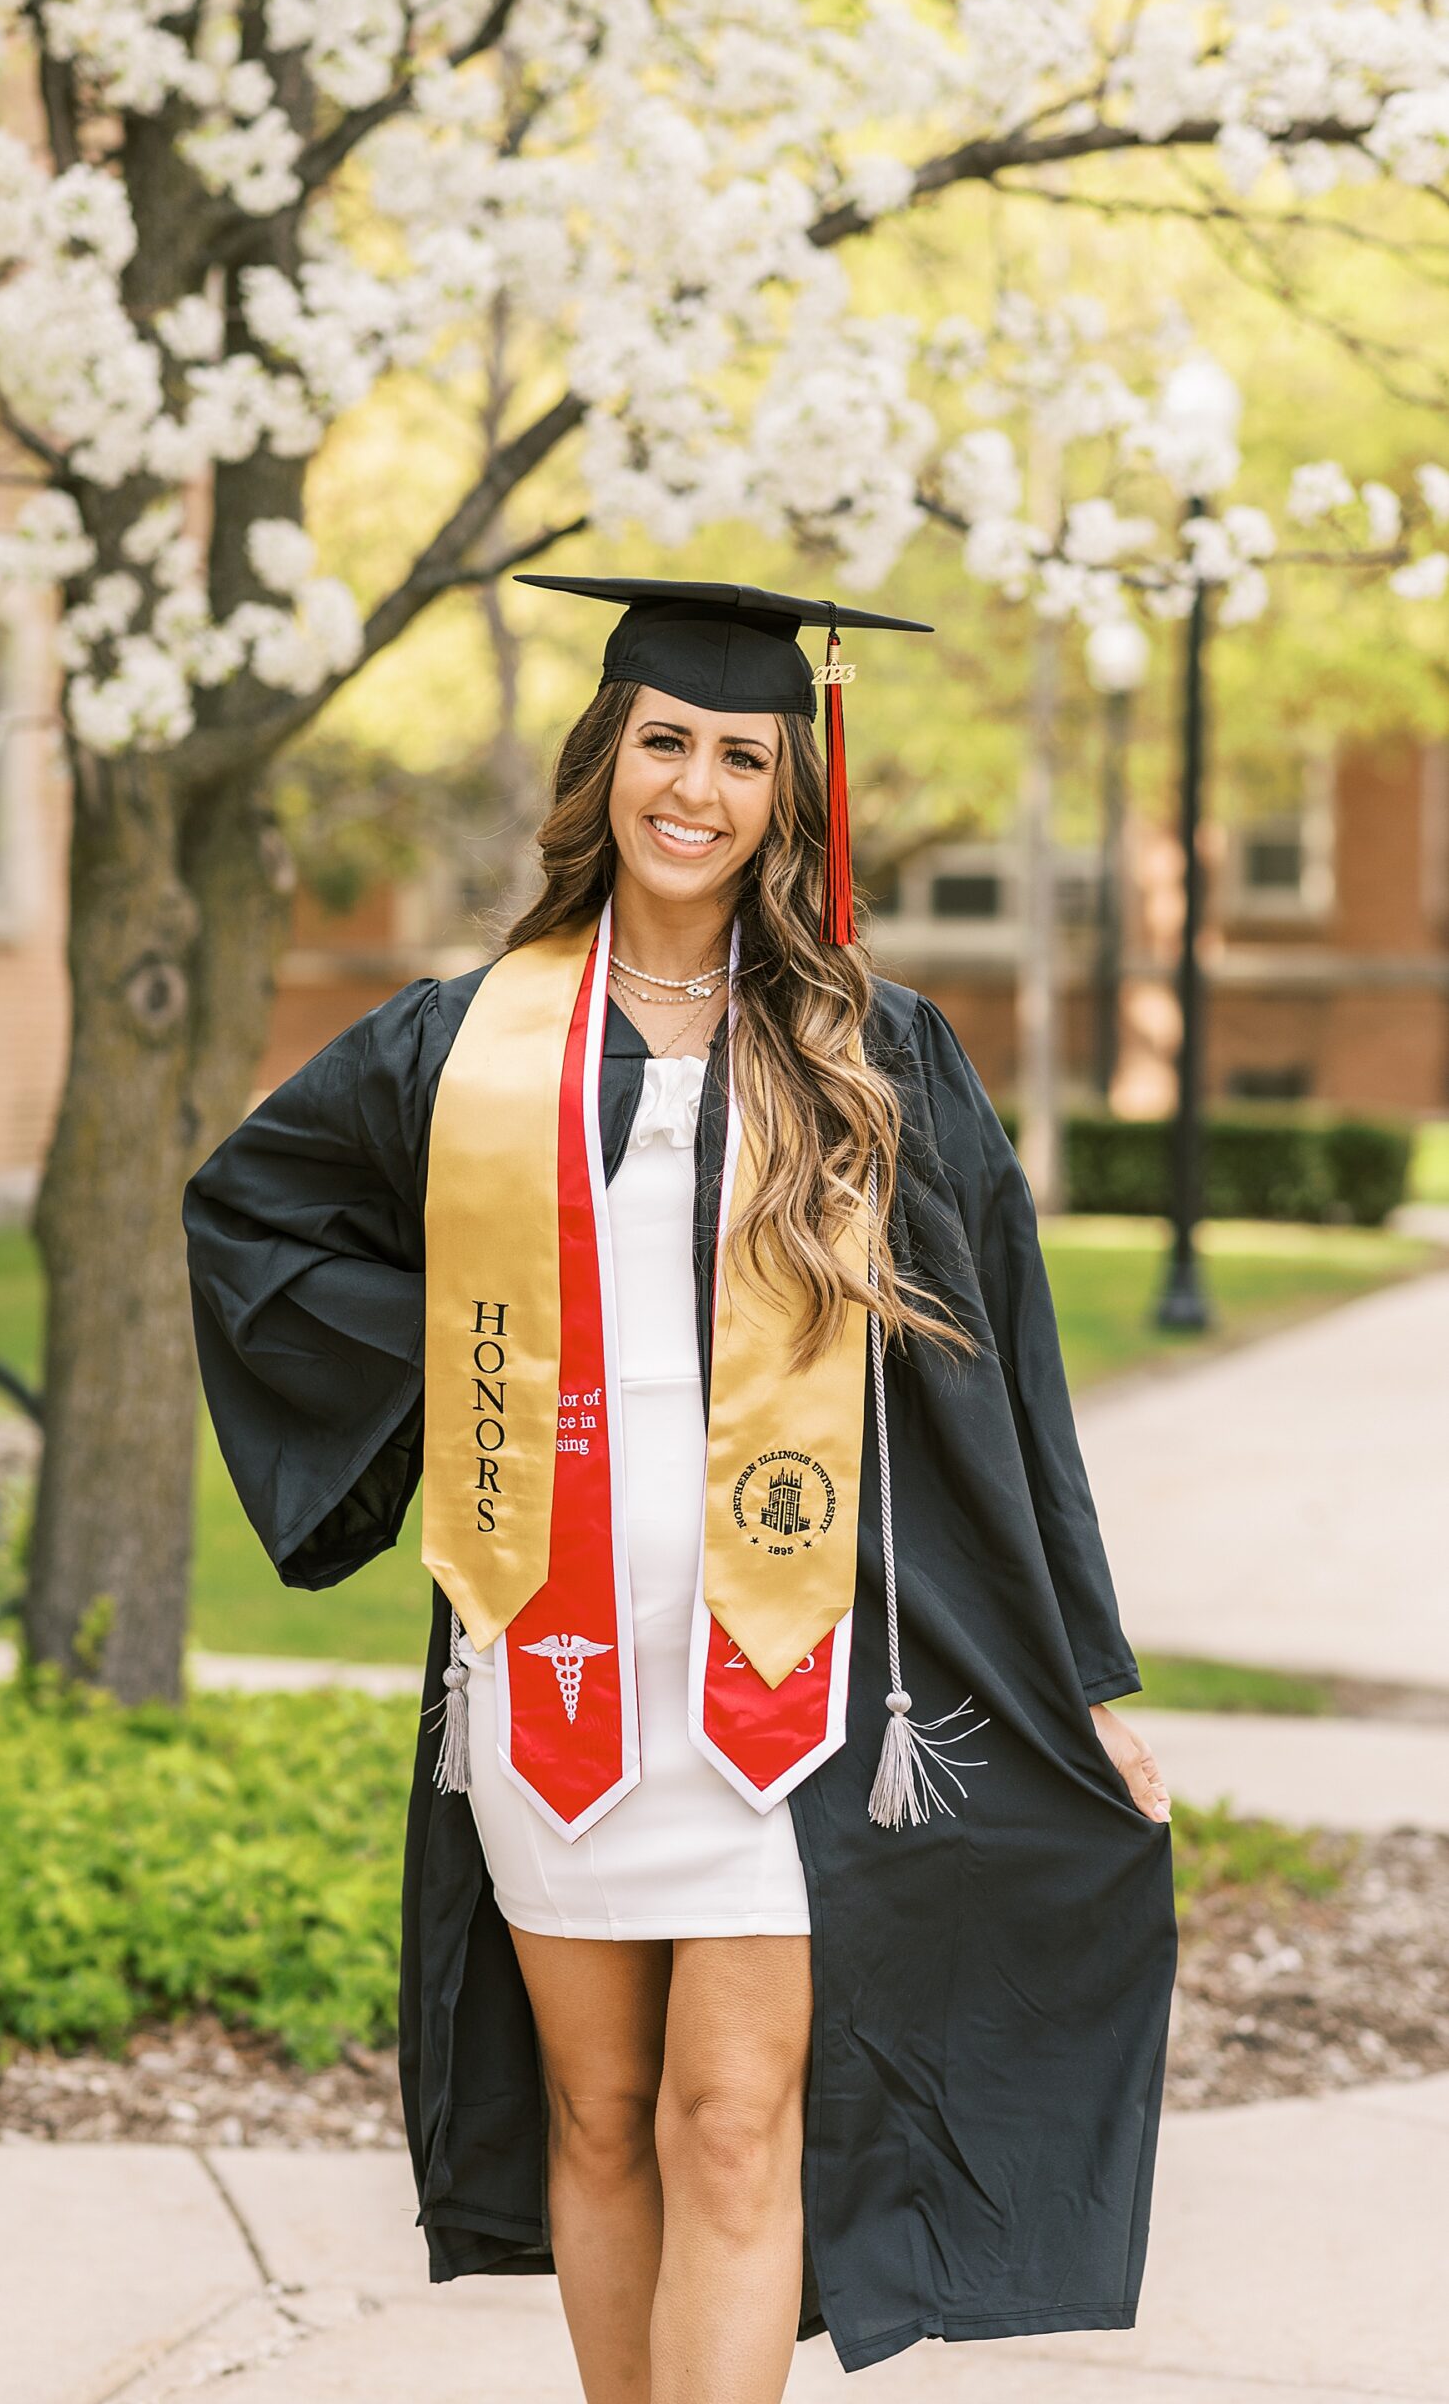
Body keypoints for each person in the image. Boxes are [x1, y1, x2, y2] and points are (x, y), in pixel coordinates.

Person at [182, 575, 1178, 2404]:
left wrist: (1086, 1673)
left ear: (788, 794)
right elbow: (250, 1214)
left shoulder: (875, 1060)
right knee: (600, 2108)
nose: (696, 790)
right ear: (606, 763)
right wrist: (468, 1355)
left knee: (733, 2119)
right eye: (666, 744)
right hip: (554, 1642)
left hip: (778, 1660)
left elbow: (1011, 1375)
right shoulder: (463, 1044)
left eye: (739, 754)